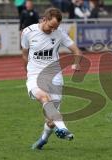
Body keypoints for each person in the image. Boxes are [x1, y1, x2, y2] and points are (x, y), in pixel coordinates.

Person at [21, 7, 82, 150]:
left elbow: (76, 50)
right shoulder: (28, 32)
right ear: (44, 19)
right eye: (50, 26)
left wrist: (77, 63)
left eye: (55, 27)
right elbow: (24, 53)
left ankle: (43, 140)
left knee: (51, 119)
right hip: (35, 75)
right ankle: (64, 129)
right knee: (44, 98)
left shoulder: (59, 33)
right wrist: (27, 71)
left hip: (55, 77)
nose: (52, 30)